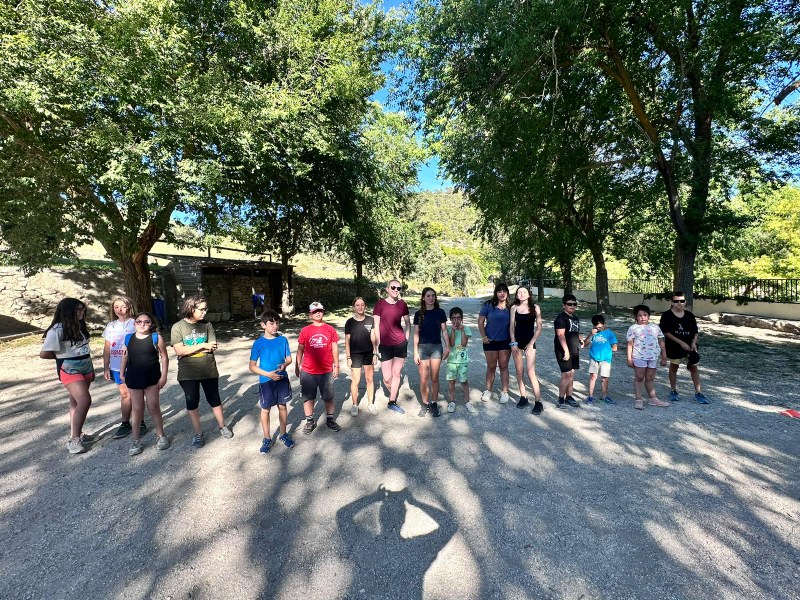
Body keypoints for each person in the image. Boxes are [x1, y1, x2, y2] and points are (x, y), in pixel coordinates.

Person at [171, 296, 233, 448]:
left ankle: (222, 426)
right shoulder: (178, 327)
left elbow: (212, 346)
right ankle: (198, 433)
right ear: (191, 308)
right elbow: (179, 350)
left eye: (206, 309)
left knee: (215, 399)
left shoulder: (207, 325)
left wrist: (191, 349)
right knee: (192, 402)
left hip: (208, 370)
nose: (205, 312)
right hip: (188, 373)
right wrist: (202, 345)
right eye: (202, 309)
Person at [39, 298, 98, 455]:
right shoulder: (57, 329)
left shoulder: (79, 325)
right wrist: (64, 356)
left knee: (76, 402)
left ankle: (78, 433)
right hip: (70, 368)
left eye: (83, 309)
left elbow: (83, 348)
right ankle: (74, 439)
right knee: (85, 401)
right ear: (67, 311)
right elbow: (44, 353)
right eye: (78, 310)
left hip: (85, 365)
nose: (81, 312)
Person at [119, 311, 170, 456]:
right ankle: (135, 440)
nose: (143, 324)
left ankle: (161, 435)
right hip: (134, 377)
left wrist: (164, 375)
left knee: (153, 406)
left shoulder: (156, 337)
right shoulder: (129, 338)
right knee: (137, 408)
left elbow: (164, 357)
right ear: (134, 324)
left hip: (152, 377)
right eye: (139, 322)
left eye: (146, 322)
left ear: (151, 324)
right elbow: (125, 356)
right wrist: (122, 373)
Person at [249, 309, 295, 453]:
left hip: (282, 378)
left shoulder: (283, 340)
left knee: (282, 406)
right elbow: (252, 366)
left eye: (277, 322)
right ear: (263, 325)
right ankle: (267, 438)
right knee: (265, 409)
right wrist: (268, 374)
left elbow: (289, 359)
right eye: (271, 323)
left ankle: (283, 434)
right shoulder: (258, 343)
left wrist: (285, 365)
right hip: (266, 381)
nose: (275, 326)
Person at [101, 295, 144, 440]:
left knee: (136, 394)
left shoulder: (135, 323)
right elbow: (107, 348)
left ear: (129, 307)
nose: (119, 310)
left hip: (134, 365)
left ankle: (140, 422)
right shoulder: (111, 326)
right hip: (116, 366)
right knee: (125, 394)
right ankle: (125, 423)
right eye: (116, 307)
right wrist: (106, 367)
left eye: (123, 306)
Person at [295, 301, 341, 434]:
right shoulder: (305, 330)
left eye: (320, 311)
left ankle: (330, 419)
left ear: (323, 312)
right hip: (308, 371)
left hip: (326, 370)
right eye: (315, 312)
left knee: (328, 397)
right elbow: (300, 348)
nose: (318, 313)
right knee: (308, 397)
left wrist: (336, 365)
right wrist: (297, 365)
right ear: (310, 315)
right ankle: (310, 421)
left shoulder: (330, 329)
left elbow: (334, 347)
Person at [659, 291, 709, 404]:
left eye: (681, 301)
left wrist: (693, 343)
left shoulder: (690, 316)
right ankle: (673, 390)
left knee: (694, 367)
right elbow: (666, 332)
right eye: (676, 301)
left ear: (685, 302)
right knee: (674, 367)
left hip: (689, 346)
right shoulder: (667, 315)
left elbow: (695, 331)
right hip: (674, 346)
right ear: (672, 302)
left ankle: (698, 392)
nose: (679, 303)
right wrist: (680, 342)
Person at [373, 279, 411, 415]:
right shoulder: (380, 304)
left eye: (399, 288)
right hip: (385, 345)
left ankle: (392, 401)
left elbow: (408, 323)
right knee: (387, 377)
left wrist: (406, 339)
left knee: (396, 373)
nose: (396, 290)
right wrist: (377, 343)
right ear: (387, 289)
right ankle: (393, 391)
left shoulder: (402, 305)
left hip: (400, 343)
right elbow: (376, 325)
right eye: (393, 287)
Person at [413, 287, 450, 417]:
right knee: (423, 379)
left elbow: (444, 331)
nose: (431, 298)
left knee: (434, 378)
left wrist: (448, 347)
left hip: (436, 348)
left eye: (433, 295)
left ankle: (433, 403)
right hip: (422, 348)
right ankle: (425, 404)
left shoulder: (440, 312)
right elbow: (416, 333)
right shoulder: (418, 314)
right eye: (428, 296)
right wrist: (415, 352)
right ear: (423, 298)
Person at [626, 305, 669, 410]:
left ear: (648, 316)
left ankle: (653, 398)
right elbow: (630, 344)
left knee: (650, 378)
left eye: (645, 315)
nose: (642, 317)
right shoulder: (633, 328)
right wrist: (629, 358)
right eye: (639, 315)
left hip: (653, 356)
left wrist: (664, 355)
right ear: (636, 317)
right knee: (639, 377)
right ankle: (638, 399)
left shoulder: (655, 327)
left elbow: (661, 342)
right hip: (639, 356)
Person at [509, 285, 543, 414]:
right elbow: (511, 326)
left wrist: (531, 343)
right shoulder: (513, 308)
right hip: (516, 342)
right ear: (516, 295)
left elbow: (539, 327)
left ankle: (538, 402)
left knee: (530, 372)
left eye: (524, 292)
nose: (521, 294)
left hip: (530, 342)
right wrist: (513, 341)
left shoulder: (535, 308)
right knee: (519, 371)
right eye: (519, 292)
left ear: (529, 294)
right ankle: (523, 397)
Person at [478, 282, 512, 404]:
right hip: (490, 342)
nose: (502, 294)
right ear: (496, 293)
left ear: (507, 293)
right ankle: (488, 390)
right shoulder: (488, 305)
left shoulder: (511, 307)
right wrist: (484, 337)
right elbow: (480, 322)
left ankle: (504, 392)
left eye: (504, 291)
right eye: (499, 291)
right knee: (491, 367)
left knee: (504, 367)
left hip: (505, 342)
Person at [345, 297, 378, 416]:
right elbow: (347, 341)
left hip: (369, 353)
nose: (360, 307)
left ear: (365, 306)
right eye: (357, 305)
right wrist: (348, 357)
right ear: (354, 307)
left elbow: (373, 337)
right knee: (356, 380)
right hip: (355, 354)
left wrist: (375, 353)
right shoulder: (350, 322)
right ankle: (354, 405)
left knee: (370, 379)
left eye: (362, 305)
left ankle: (371, 404)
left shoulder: (370, 320)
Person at [582, 314, 619, 405]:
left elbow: (615, 348)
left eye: (600, 327)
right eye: (597, 327)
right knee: (593, 377)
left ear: (604, 324)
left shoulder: (609, 333)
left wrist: (606, 350)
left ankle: (604, 396)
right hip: (594, 357)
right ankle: (590, 396)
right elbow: (584, 344)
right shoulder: (594, 333)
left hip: (606, 359)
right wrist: (591, 334)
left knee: (605, 378)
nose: (599, 329)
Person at [554, 294, 582, 409]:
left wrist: (581, 340)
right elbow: (560, 335)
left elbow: (576, 333)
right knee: (566, 374)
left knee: (571, 373)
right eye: (569, 304)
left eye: (574, 304)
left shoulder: (575, 318)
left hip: (574, 349)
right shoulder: (561, 318)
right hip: (563, 350)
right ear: (564, 305)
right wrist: (566, 351)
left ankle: (569, 396)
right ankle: (561, 399)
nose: (572, 306)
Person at [446, 307, 475, 414]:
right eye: (454, 318)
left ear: (462, 319)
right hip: (452, 361)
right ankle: (452, 401)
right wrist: (453, 330)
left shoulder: (466, 329)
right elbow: (452, 343)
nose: (456, 320)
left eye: (458, 318)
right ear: (450, 319)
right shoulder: (448, 330)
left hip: (462, 361)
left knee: (464, 381)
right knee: (452, 381)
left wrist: (462, 330)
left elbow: (463, 343)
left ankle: (467, 401)